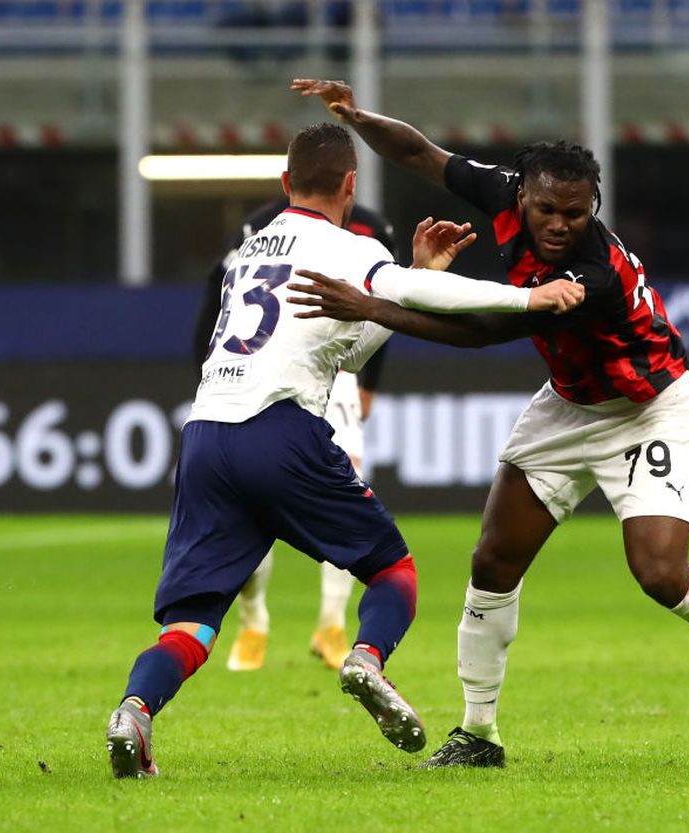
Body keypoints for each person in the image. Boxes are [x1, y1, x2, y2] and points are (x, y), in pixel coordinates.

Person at [288, 79, 689, 768]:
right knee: (493, 559)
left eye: (575, 214)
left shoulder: (593, 276)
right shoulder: (503, 192)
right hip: (568, 403)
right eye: (547, 209)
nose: (558, 225)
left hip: (648, 410)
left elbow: (484, 332)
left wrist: (374, 307)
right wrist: (354, 115)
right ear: (522, 194)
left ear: (593, 210)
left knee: (659, 572)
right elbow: (421, 154)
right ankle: (478, 733)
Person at [105, 122, 584, 779]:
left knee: (190, 621)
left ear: (284, 185)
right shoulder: (345, 244)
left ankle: (135, 709)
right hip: (279, 429)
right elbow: (423, 298)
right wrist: (529, 296)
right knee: (395, 573)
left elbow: (345, 345)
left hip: (207, 435)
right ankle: (365, 657)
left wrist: (412, 272)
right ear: (351, 187)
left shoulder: (249, 253)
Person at [193, 197, 398, 672]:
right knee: (246, 503)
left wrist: (369, 383)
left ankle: (331, 623)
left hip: (338, 368)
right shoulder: (261, 223)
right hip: (259, 373)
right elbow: (214, 299)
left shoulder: (369, 227)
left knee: (349, 480)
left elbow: (380, 306)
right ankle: (253, 620)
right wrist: (208, 372)